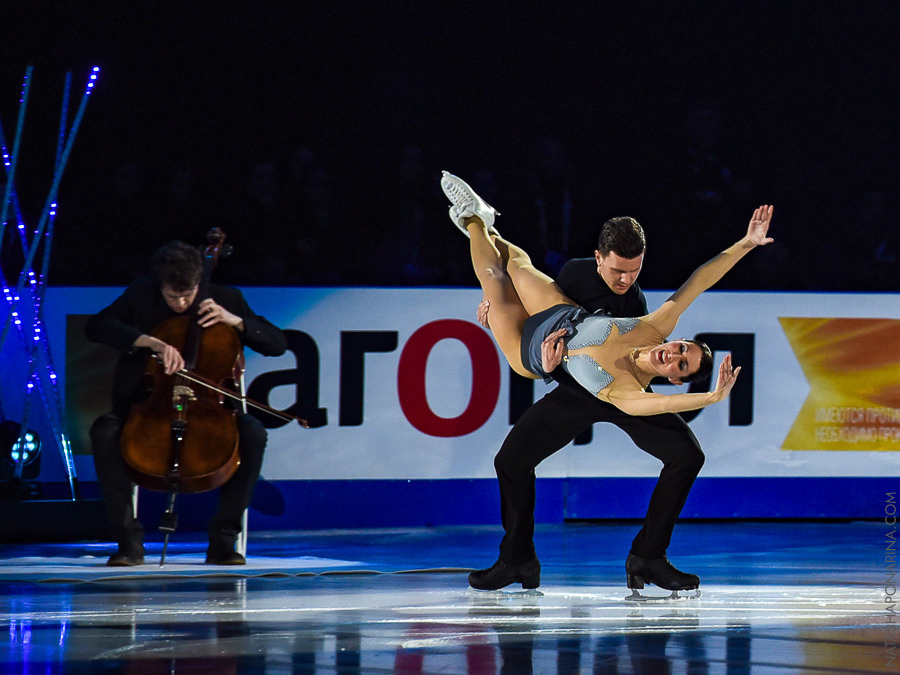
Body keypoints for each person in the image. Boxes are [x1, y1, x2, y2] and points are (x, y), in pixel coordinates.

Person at [440, 171, 773, 594]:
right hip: (569, 364)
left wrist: (710, 397)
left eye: (634, 271)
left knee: (687, 456)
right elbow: (698, 280)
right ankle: (518, 559)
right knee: (512, 269)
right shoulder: (583, 282)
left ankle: (648, 557)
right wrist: (746, 243)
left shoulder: (639, 329)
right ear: (599, 258)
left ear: (675, 379)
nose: (626, 280)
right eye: (618, 270)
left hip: (603, 385)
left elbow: (658, 397)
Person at [86, 241, 288, 566]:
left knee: (253, 433)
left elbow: (278, 344)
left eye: (188, 295)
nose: (180, 303)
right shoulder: (141, 294)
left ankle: (223, 540)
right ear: (160, 285)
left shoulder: (226, 298)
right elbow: (96, 326)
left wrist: (236, 321)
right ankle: (128, 542)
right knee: (104, 431)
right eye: (172, 297)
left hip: (210, 409)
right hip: (148, 405)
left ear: (198, 283)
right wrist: (148, 342)